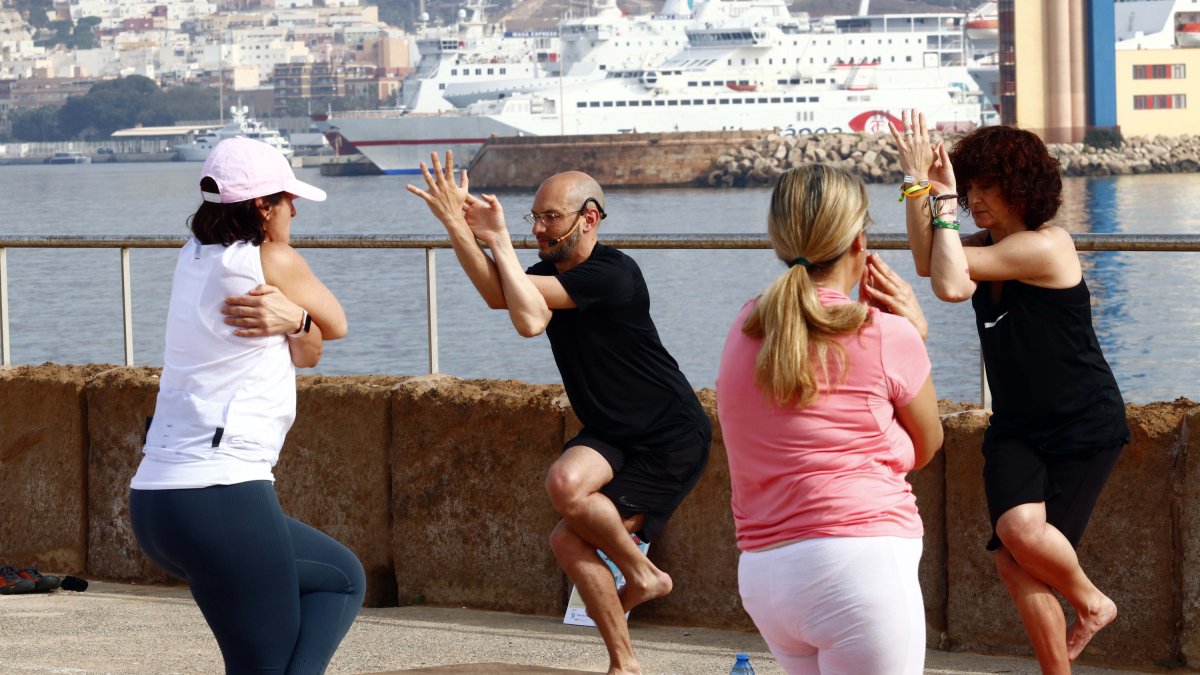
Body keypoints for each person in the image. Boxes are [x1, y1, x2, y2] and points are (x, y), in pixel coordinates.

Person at [408, 151, 710, 675]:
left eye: (551, 217)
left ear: (588, 218)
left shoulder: (613, 273)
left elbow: (527, 318)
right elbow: (499, 296)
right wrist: (456, 224)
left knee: (568, 537)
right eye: (535, 217)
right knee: (566, 486)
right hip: (612, 430)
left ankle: (629, 635)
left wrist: (498, 239)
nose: (540, 228)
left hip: (668, 435)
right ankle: (637, 597)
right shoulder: (547, 271)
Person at [892, 111, 1129, 674]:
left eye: (986, 187)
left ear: (1022, 188)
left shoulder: (1048, 247)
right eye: (969, 187)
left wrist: (942, 200)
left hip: (1083, 425)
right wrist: (917, 185)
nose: (975, 198)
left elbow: (948, 281)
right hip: (1018, 427)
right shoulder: (980, 243)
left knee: (1021, 541)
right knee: (1015, 564)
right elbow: (930, 260)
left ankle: (1093, 602)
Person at [130, 137, 365, 674]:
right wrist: (303, 320)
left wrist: (296, 321)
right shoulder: (273, 258)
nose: (295, 210)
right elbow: (340, 325)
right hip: (220, 494)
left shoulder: (194, 257)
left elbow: (308, 350)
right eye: (287, 199)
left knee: (341, 578)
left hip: (157, 502)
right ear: (263, 206)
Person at [716, 164, 944, 674]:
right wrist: (915, 334)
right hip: (859, 564)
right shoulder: (886, 332)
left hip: (766, 574)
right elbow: (927, 445)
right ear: (860, 240)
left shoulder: (745, 325)